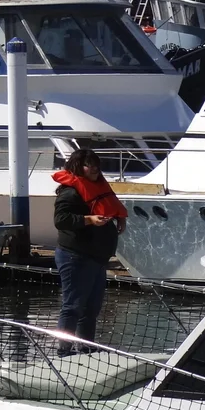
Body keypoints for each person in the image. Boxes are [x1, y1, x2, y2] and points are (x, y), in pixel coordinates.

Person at [52, 148, 128, 355]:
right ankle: (64, 351)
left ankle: (86, 349)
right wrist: (88, 219)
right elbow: (60, 220)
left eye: (96, 164)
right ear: (78, 167)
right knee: (73, 306)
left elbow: (110, 206)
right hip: (75, 256)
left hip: (97, 258)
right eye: (88, 164)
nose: (94, 168)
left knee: (91, 309)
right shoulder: (70, 192)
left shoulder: (98, 187)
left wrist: (119, 217)